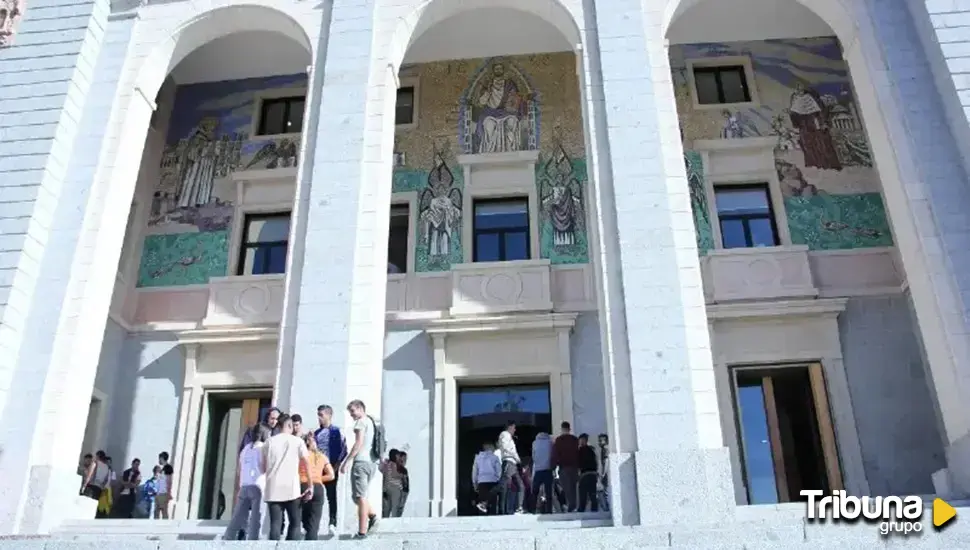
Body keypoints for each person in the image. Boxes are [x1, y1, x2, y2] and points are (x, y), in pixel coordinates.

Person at [263, 414, 313, 541]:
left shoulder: (269, 442)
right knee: (295, 523)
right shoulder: (298, 441)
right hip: (292, 487)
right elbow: (307, 463)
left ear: (279, 426)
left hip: (273, 487)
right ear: (290, 426)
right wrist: (310, 485)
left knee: (275, 523)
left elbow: (263, 467)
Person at [340, 400, 379, 539]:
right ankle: (372, 516)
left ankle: (362, 532)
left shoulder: (361, 422)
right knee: (357, 496)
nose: (351, 415)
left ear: (360, 408)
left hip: (361, 462)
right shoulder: (371, 421)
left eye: (353, 411)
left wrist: (347, 461)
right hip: (371, 463)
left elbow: (358, 443)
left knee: (361, 497)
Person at [223, 425, 269, 540]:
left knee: (237, 516)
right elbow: (264, 468)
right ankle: (252, 541)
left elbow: (239, 469)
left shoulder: (246, 448)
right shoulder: (263, 448)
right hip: (257, 485)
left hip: (244, 485)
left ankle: (228, 537)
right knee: (255, 517)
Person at [314, 404, 347, 536]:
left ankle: (332, 523)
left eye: (321, 415)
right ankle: (312, 523)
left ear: (329, 415)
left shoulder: (336, 431)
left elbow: (344, 448)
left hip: (332, 466)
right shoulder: (316, 433)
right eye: (318, 415)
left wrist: (337, 466)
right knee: (315, 496)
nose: (319, 418)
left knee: (331, 496)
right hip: (318, 468)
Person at [483, 420, 524, 515]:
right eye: (514, 427)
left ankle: (519, 508)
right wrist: (516, 457)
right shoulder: (504, 435)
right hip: (509, 462)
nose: (515, 430)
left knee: (521, 485)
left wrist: (517, 460)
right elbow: (507, 448)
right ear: (509, 427)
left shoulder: (509, 437)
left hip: (513, 463)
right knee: (501, 485)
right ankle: (484, 502)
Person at [300, 433, 335, 540]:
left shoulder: (300, 456)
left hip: (302, 486)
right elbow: (331, 475)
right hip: (318, 488)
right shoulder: (322, 456)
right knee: (314, 524)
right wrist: (319, 479)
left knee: (303, 519)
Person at [552, 421, 579, 512]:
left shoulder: (559, 440)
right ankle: (573, 505)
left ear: (562, 429)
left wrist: (554, 466)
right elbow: (577, 453)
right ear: (569, 429)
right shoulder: (575, 439)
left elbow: (556, 454)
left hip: (563, 467)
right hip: (574, 466)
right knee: (573, 487)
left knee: (566, 487)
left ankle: (571, 505)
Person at [472, 442, 501, 514]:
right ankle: (492, 516)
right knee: (493, 503)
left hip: (481, 481)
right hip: (492, 481)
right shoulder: (495, 457)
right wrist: (498, 478)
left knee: (482, 499)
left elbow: (475, 471)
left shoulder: (478, 457)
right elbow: (499, 470)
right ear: (490, 447)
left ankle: (481, 515)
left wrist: (474, 482)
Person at [531, 432, 554, 514]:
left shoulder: (534, 443)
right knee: (548, 492)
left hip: (538, 470)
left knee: (535, 492)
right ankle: (549, 510)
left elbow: (533, 456)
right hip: (548, 469)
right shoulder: (550, 442)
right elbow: (552, 454)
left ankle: (533, 509)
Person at [576, 433, 599, 512]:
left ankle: (581, 511)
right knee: (593, 494)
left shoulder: (580, 451)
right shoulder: (592, 450)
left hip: (584, 474)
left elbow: (578, 464)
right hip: (592, 474)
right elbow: (596, 461)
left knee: (583, 494)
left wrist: (578, 474)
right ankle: (594, 511)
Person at [382, 450, 407, 518]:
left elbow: (385, 475)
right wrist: (402, 475)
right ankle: (394, 522)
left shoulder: (387, 464)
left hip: (387, 488)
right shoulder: (393, 464)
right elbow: (394, 474)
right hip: (395, 488)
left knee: (387, 508)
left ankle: (385, 520)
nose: (399, 457)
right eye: (398, 456)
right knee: (395, 507)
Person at [155, 452, 174, 519]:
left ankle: (166, 526)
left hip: (164, 493)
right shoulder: (162, 469)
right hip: (159, 492)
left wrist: (168, 493)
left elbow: (169, 480)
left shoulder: (168, 468)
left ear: (162, 458)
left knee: (163, 511)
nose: (159, 460)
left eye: (159, 458)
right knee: (156, 512)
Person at [597, 433, 610, 512]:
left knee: (603, 491)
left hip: (605, 474)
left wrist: (603, 473)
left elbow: (606, 461)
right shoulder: (603, 449)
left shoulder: (605, 449)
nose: (599, 442)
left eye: (601, 440)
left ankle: (606, 508)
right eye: (599, 440)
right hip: (604, 474)